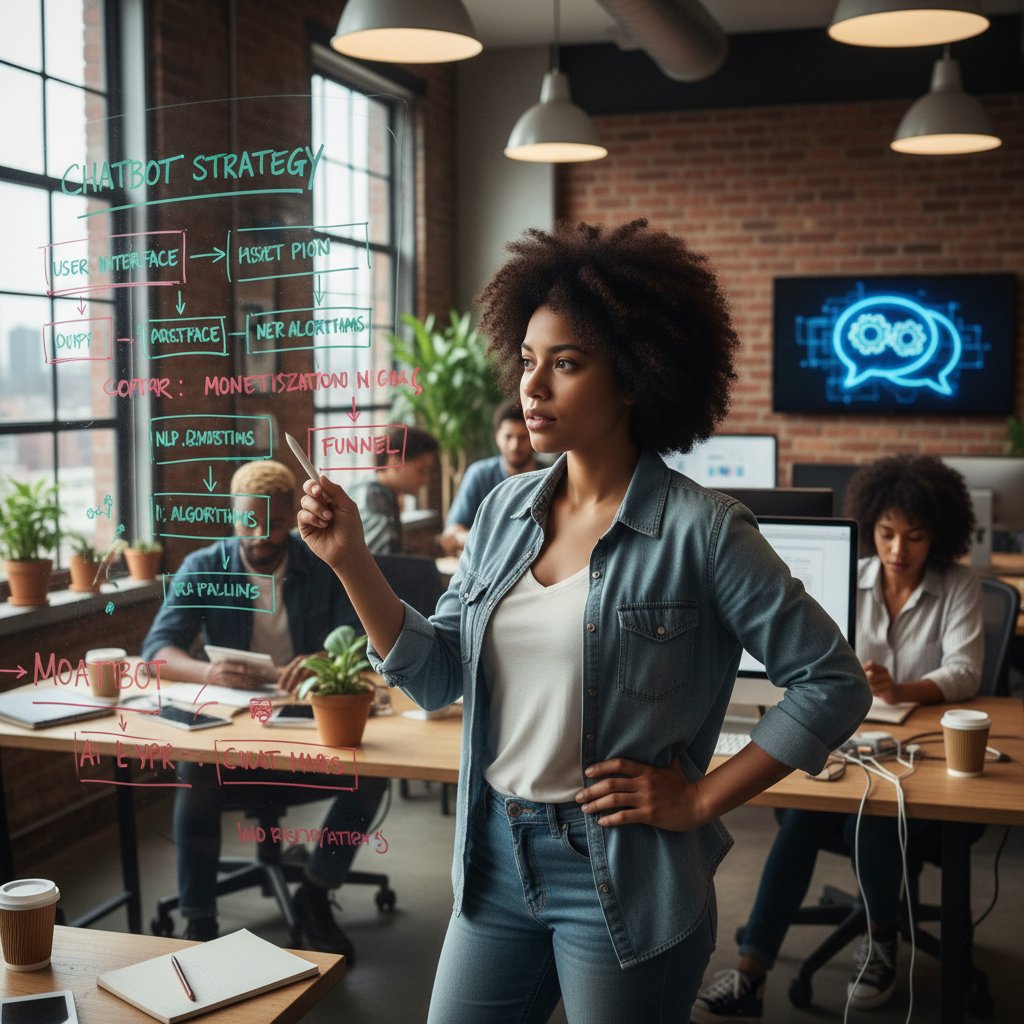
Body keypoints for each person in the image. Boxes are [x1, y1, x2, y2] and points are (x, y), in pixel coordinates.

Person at [296, 219, 870, 1024]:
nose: (533, 388)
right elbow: (434, 678)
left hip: (623, 877)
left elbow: (832, 684)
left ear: (636, 377)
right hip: (492, 856)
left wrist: (701, 801)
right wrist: (349, 559)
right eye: (528, 362)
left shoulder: (703, 530)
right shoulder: (502, 510)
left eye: (565, 365)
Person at [693, 453, 983, 1022]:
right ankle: (752, 973)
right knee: (800, 822)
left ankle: (880, 942)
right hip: (848, 741)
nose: (899, 550)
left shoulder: (959, 585)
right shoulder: (851, 575)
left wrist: (902, 686)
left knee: (874, 810)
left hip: (916, 756)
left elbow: (965, 672)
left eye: (916, 537)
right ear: (871, 525)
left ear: (939, 535)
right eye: (887, 534)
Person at [141, 459, 387, 959]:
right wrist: (206, 673)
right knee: (197, 769)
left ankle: (317, 890)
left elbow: (367, 642)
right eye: (246, 521)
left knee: (373, 771)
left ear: (289, 519)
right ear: (233, 516)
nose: (258, 534)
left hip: (307, 724)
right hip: (236, 730)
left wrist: (324, 660)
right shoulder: (206, 567)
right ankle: (199, 922)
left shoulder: (321, 561)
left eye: (271, 522)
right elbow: (158, 651)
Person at [439, 399, 538, 556]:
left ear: (533, 437)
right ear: (497, 437)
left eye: (523, 437)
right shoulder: (479, 474)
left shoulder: (551, 473)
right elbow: (451, 533)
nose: (514, 445)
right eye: (508, 437)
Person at [349, 424, 439, 553]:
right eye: (421, 470)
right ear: (395, 463)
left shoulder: (372, 489)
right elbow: (386, 559)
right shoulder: (374, 495)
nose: (426, 479)